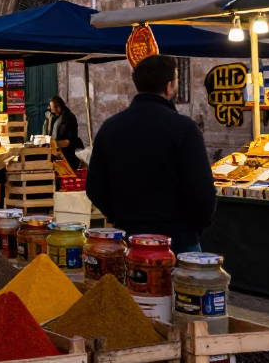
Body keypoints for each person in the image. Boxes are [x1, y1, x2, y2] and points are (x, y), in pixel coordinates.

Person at [86, 55, 215, 254]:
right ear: (169, 87)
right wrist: (194, 227)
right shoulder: (184, 128)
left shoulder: (110, 127)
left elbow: (94, 186)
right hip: (177, 240)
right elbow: (202, 190)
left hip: (130, 236)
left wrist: (118, 216)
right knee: (182, 285)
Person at [44, 96, 84, 171]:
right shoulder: (52, 117)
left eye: (52, 107)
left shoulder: (69, 117)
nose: (50, 109)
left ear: (58, 107)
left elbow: (70, 140)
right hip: (54, 149)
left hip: (67, 152)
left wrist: (55, 144)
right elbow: (47, 133)